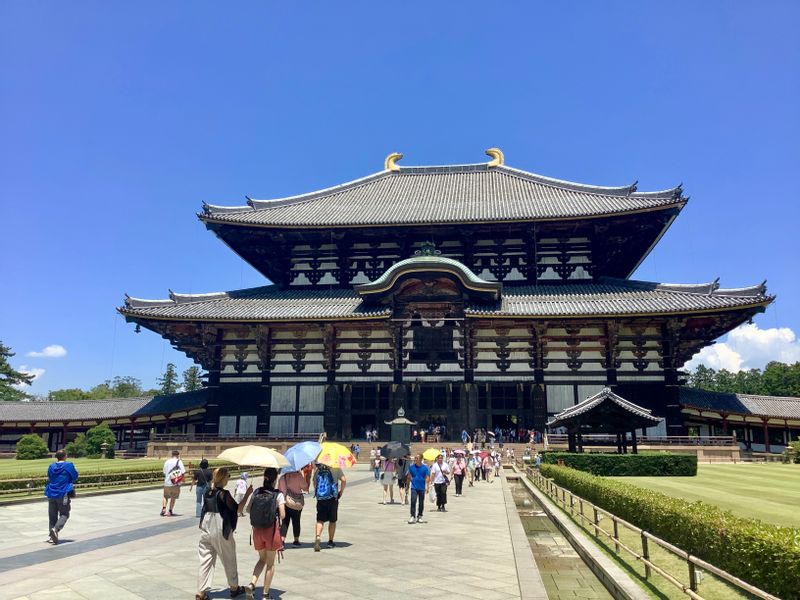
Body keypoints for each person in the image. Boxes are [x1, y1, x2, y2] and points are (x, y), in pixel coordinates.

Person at [196, 467, 252, 600]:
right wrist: (248, 493)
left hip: (206, 526)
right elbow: (238, 508)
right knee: (229, 558)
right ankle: (234, 588)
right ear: (223, 478)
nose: (229, 478)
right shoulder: (224, 494)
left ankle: (201, 593)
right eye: (228, 476)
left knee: (205, 561)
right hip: (219, 527)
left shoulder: (208, 492)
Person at [245, 467, 285, 600]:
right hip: (271, 531)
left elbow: (248, 509)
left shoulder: (256, 491)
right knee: (270, 563)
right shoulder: (277, 494)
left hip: (257, 531)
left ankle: (252, 584)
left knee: (261, 559)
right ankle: (265, 595)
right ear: (275, 479)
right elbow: (283, 515)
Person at [45, 449, 78, 545]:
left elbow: (50, 477)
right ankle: (56, 529)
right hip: (63, 493)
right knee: (64, 514)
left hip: (51, 493)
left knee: (52, 516)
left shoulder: (51, 466)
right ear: (65, 456)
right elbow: (75, 476)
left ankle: (52, 537)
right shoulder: (68, 465)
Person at [312, 463, 346, 551]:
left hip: (321, 498)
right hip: (332, 498)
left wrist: (318, 492)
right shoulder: (336, 468)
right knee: (332, 520)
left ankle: (318, 537)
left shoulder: (318, 469)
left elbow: (314, 482)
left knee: (320, 520)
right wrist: (341, 491)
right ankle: (330, 541)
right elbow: (343, 480)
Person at [277, 467, 308, 546]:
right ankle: (296, 540)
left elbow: (279, 490)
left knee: (285, 522)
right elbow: (305, 487)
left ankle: (282, 540)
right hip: (296, 503)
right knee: (296, 521)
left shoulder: (282, 478)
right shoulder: (298, 476)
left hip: (285, 502)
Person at [406, 454, 430, 524]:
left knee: (421, 502)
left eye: (417, 458)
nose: (415, 459)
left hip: (422, 487)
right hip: (414, 487)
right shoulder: (411, 467)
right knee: (413, 501)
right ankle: (412, 516)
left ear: (421, 459)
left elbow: (427, 477)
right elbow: (408, 477)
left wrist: (427, 487)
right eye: (415, 458)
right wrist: (407, 486)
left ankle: (420, 516)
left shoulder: (425, 468)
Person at [161, 450, 185, 517]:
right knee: (173, 497)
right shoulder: (179, 461)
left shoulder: (167, 461)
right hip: (175, 482)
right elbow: (183, 472)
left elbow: (164, 472)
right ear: (178, 455)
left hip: (167, 482)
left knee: (165, 496)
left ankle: (164, 508)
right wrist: (183, 480)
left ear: (172, 455)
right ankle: (170, 511)